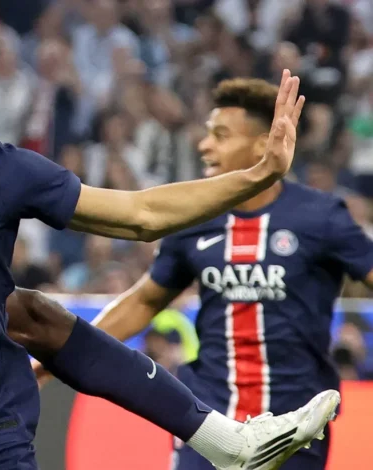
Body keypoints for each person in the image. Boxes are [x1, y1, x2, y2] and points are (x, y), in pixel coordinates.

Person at [0, 30, 336, 470]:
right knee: (29, 312)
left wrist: (258, 175)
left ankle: (225, 441)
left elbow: (142, 214)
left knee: (33, 312)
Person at [33, 77, 371, 470]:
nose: (204, 145)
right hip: (208, 422)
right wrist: (57, 357)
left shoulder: (322, 216)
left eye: (220, 135)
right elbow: (143, 302)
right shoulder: (192, 217)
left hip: (297, 425)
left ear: (263, 144)